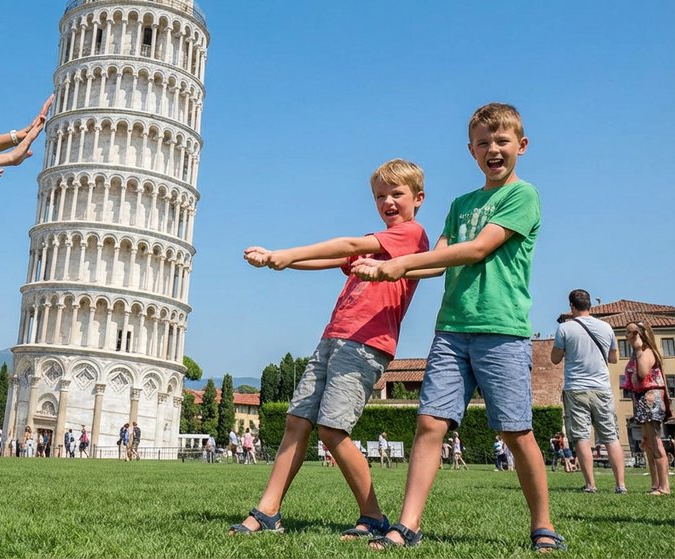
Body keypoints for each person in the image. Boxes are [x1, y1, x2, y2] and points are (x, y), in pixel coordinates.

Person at [355, 103, 563, 552]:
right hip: (451, 329)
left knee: (515, 429)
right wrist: (388, 266)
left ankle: (542, 524)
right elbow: (438, 262)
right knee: (429, 423)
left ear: (521, 146)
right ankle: (408, 524)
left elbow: (477, 250)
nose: (493, 149)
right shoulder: (459, 205)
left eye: (502, 141)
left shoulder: (522, 196)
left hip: (501, 329)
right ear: (470, 150)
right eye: (483, 143)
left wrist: (402, 263)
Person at [230, 159, 429, 539]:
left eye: (396, 194)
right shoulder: (379, 242)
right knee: (297, 420)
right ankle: (268, 511)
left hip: (366, 343)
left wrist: (288, 253)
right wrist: (281, 261)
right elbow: (336, 258)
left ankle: (373, 515)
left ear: (418, 198)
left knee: (332, 428)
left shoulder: (410, 235)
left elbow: (351, 244)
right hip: (334, 336)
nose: (388, 202)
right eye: (380, 196)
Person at [550, 288, 627, 493]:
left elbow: (555, 359)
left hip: (576, 388)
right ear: (590, 304)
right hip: (601, 387)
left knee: (582, 437)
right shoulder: (606, 327)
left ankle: (591, 484)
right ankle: (620, 485)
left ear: (571, 306)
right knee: (611, 436)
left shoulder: (565, 329)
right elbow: (614, 359)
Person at [623, 321, 669, 495]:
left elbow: (642, 373)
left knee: (655, 442)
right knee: (648, 443)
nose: (627, 336)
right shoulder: (637, 355)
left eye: (630, 333)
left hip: (651, 399)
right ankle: (655, 484)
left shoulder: (646, 353)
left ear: (640, 335)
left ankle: (664, 486)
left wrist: (638, 349)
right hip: (642, 399)